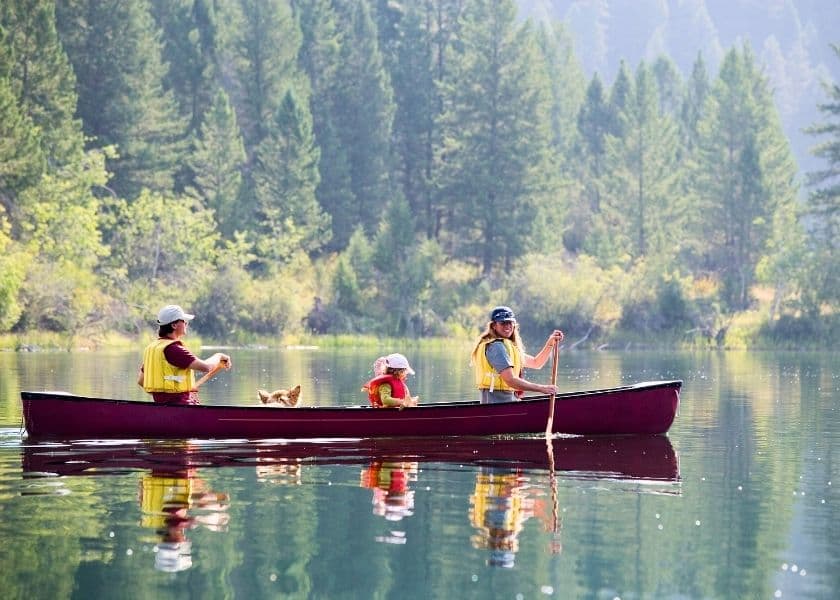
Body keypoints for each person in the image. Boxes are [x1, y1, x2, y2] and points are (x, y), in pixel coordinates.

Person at [137, 304, 232, 405]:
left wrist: (163, 395)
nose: (186, 323)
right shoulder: (173, 349)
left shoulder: (153, 348)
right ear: (174, 325)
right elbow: (206, 367)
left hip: (165, 407)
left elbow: (141, 381)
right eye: (184, 321)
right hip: (183, 407)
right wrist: (219, 356)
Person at [470, 305, 564, 404]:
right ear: (494, 325)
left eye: (510, 322)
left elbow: (536, 363)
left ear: (514, 324)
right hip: (498, 403)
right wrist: (542, 388)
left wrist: (550, 343)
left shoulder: (506, 346)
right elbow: (510, 380)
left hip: (508, 400)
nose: (507, 326)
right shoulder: (495, 347)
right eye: (503, 323)